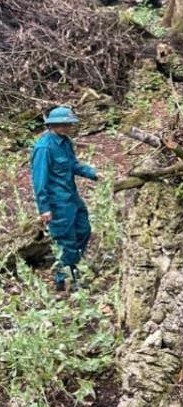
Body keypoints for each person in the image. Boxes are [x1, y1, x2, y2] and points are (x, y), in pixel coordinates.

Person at [31, 106, 98, 291]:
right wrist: (44, 208)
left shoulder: (66, 142)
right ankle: (66, 280)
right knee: (65, 241)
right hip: (57, 203)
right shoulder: (44, 148)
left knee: (84, 230)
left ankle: (70, 268)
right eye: (63, 124)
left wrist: (94, 173)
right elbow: (39, 181)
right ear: (52, 125)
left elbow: (73, 165)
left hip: (72, 197)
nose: (67, 127)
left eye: (69, 124)